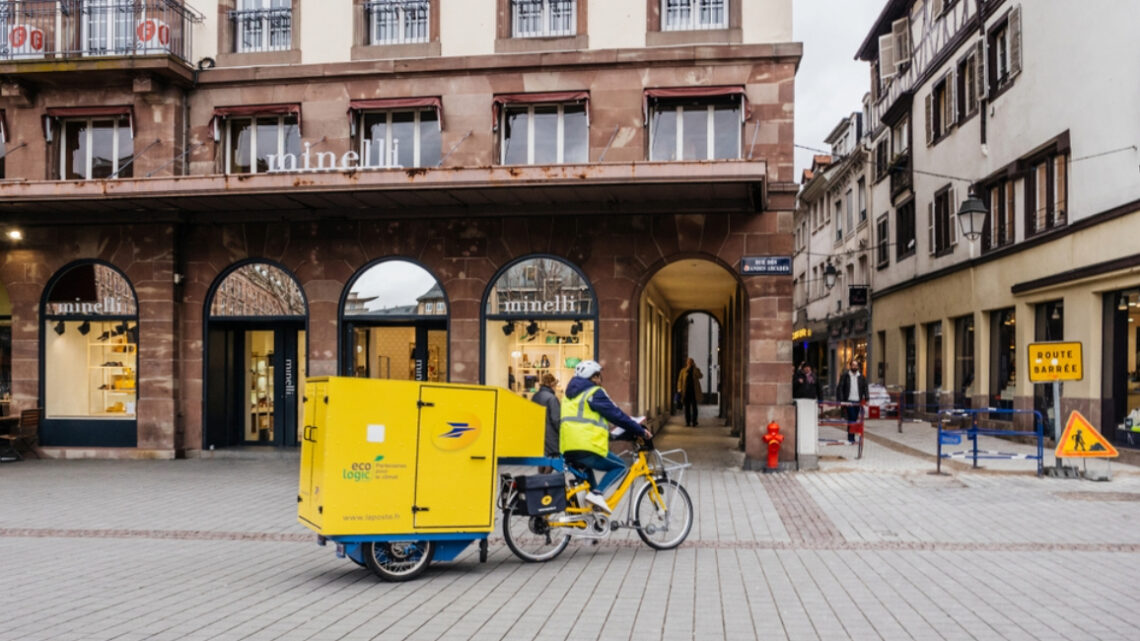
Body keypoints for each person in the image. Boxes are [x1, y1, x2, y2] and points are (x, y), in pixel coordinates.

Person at [560, 359, 651, 512]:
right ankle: (598, 493)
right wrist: (639, 430)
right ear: (594, 377)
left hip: (569, 449)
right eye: (599, 376)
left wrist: (615, 436)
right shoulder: (594, 393)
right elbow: (616, 416)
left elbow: (583, 424)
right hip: (587, 448)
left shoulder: (569, 396)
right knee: (620, 466)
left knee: (589, 494)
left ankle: (591, 524)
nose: (600, 380)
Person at [529, 373, 561, 471]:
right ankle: (545, 483)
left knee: (541, 460)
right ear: (551, 384)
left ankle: (540, 482)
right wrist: (561, 432)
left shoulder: (535, 396)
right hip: (551, 436)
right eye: (555, 385)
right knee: (550, 461)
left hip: (538, 434)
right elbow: (556, 419)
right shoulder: (552, 398)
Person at [835, 359, 869, 443]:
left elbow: (865, 388)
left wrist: (867, 398)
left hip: (857, 401)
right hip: (849, 401)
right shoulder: (845, 376)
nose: (854, 367)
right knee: (852, 418)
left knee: (852, 419)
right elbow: (840, 387)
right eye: (853, 365)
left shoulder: (861, 377)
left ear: (858, 367)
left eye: (856, 365)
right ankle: (851, 437)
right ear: (850, 366)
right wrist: (841, 400)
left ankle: (851, 436)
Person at [676, 357, 703, 427]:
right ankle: (687, 422)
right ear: (686, 363)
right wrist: (679, 388)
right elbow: (680, 380)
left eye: (691, 362)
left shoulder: (696, 370)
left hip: (694, 391)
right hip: (686, 391)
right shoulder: (683, 371)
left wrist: (695, 368)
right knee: (687, 407)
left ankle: (694, 421)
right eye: (688, 362)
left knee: (694, 407)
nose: (689, 363)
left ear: (693, 363)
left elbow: (700, 376)